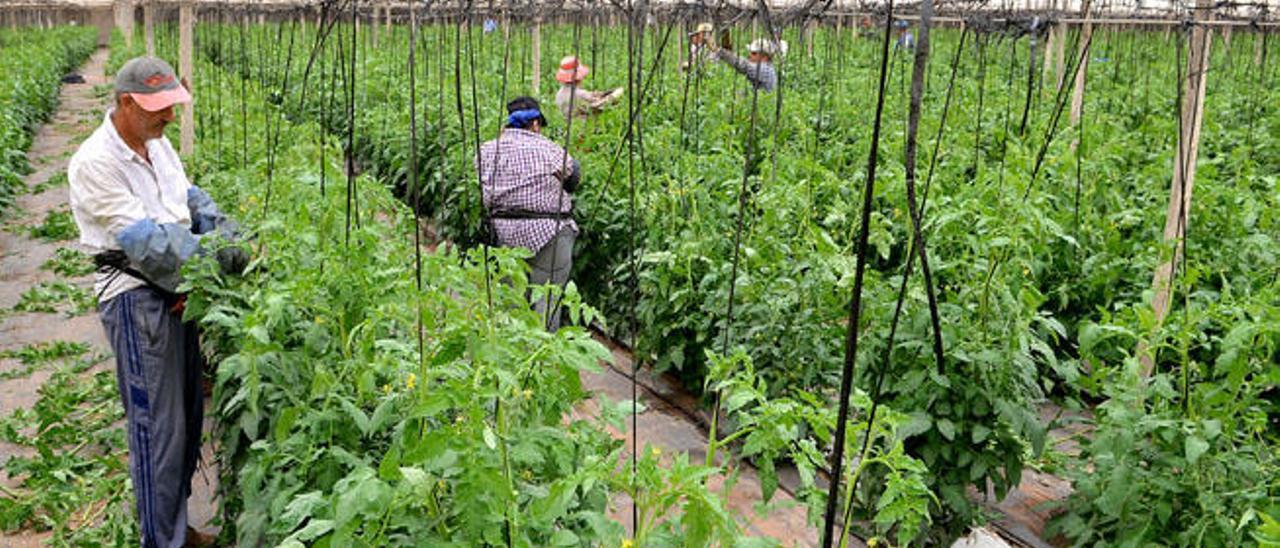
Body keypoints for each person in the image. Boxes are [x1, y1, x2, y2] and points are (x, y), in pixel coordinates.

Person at [68, 56, 246, 548]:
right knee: (157, 432)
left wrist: (227, 231)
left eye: (172, 106)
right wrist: (218, 259)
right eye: (159, 108)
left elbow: (191, 201)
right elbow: (149, 247)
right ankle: (162, 541)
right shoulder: (95, 163)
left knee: (187, 421)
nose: (169, 117)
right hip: (138, 299)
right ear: (127, 103)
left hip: (178, 291)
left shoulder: (157, 145)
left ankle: (175, 530)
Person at [476, 97, 581, 332]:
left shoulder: (486, 150)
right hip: (550, 232)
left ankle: (511, 357)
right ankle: (542, 359)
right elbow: (573, 177)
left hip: (506, 232)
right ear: (535, 124)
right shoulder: (549, 149)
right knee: (547, 298)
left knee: (511, 299)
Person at [554, 55, 623, 121]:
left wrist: (602, 94)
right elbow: (596, 106)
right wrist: (612, 97)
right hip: (584, 127)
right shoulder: (580, 94)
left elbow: (588, 97)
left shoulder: (559, 94)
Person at [712, 37, 785, 92]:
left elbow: (744, 66)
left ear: (764, 56)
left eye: (754, 53)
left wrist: (720, 51)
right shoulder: (767, 67)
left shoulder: (765, 70)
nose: (750, 55)